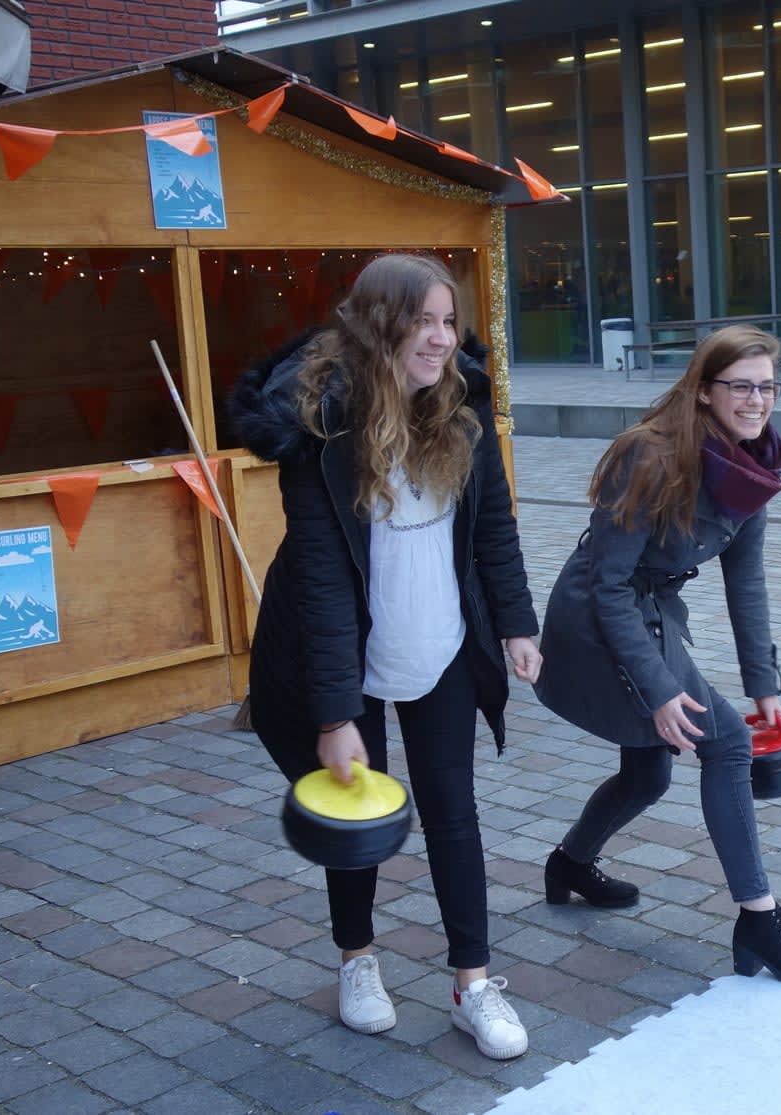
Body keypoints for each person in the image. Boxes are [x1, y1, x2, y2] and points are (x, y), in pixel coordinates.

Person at [229, 253, 543, 1060]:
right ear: (379, 326)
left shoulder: (461, 411)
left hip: (439, 642)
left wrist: (515, 621)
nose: (442, 339)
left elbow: (495, 528)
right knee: (354, 815)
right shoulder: (320, 431)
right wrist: (335, 714)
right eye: (423, 322)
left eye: (449, 322)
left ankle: (473, 983)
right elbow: (324, 585)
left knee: (453, 811)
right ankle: (357, 960)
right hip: (345, 655)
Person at [533, 325, 781, 987]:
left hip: (651, 611)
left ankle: (570, 864)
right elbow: (609, 584)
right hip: (594, 618)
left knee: (648, 774)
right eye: (741, 387)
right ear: (704, 392)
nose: (757, 400)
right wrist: (658, 687)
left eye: (767, 387)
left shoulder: (754, 464)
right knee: (723, 742)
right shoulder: (649, 456)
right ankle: (758, 915)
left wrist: (766, 683)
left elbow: (745, 580)